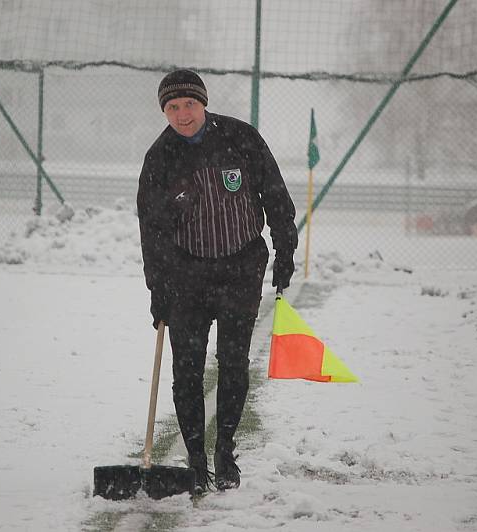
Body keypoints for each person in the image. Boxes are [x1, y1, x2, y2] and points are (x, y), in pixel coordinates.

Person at [137, 69, 297, 494]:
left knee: (233, 362)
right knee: (186, 370)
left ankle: (225, 448)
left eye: (189, 104)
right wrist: (159, 288)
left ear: (203, 103)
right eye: (172, 107)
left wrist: (285, 248)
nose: (182, 114)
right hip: (186, 275)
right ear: (164, 112)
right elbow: (151, 230)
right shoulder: (160, 157)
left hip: (240, 268)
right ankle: (195, 457)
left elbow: (275, 194)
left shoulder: (240, 138)